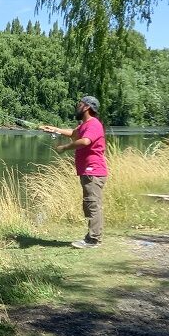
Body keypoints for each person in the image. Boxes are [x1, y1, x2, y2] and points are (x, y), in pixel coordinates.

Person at [40, 96, 108, 248]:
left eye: (80, 104)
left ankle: (93, 240)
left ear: (87, 107)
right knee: (90, 204)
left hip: (93, 171)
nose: (77, 106)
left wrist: (64, 148)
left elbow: (85, 141)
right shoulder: (85, 125)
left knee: (93, 204)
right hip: (88, 171)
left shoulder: (94, 124)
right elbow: (73, 133)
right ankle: (92, 237)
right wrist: (55, 129)